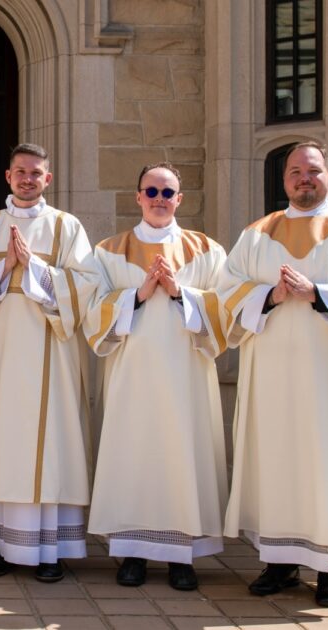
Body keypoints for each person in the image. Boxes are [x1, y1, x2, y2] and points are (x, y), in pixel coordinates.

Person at [220, 141, 328, 607]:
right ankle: (279, 562)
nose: (304, 178)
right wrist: (272, 296)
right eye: (295, 171)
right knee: (278, 460)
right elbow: (228, 292)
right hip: (273, 376)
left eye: (313, 171)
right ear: (284, 180)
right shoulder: (258, 233)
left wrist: (317, 293)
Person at [83, 162, 229, 591]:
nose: (160, 200)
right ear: (138, 197)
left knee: (182, 459)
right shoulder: (109, 251)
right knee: (134, 458)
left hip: (186, 377)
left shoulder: (206, 250)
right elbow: (93, 312)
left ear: (179, 200)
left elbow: (225, 310)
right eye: (152, 192)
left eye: (168, 193)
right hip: (132, 378)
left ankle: (181, 556)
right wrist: (139, 294)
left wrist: (182, 293)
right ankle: (133, 555)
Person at [0, 143, 98, 583]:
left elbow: (86, 287)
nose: (27, 179)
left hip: (50, 355)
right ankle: (4, 545)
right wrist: (5, 271)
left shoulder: (67, 226)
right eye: (19, 171)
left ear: (48, 179)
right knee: (1, 442)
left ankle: (49, 549)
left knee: (49, 444)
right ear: (7, 176)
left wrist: (35, 266)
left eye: (35, 173)